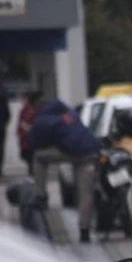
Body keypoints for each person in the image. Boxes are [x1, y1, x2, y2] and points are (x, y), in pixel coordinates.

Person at [29, 99, 101, 243]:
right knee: (86, 193)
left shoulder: (44, 119)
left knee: (38, 157)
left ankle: (41, 195)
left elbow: (35, 141)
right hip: (90, 154)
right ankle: (84, 231)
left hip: (71, 152)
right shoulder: (71, 114)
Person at [17, 91, 43, 175]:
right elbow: (23, 126)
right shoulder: (26, 111)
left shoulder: (39, 110)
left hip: (36, 141)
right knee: (31, 161)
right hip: (29, 141)